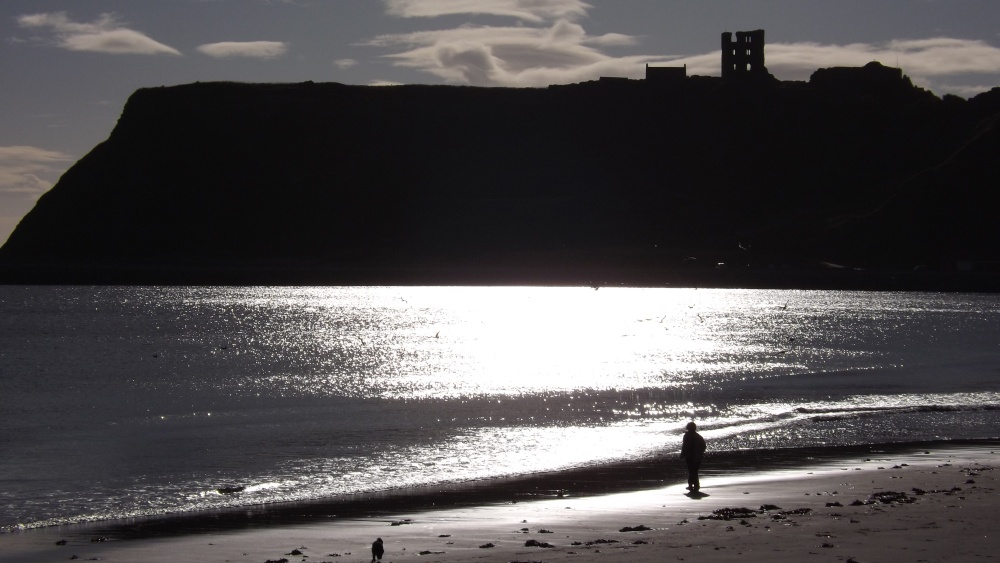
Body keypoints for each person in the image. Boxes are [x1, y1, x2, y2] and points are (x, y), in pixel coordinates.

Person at [680, 421, 706, 491]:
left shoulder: (687, 435)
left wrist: (682, 454)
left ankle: (691, 484)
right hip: (698, 456)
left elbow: (685, 446)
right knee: (694, 470)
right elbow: (703, 446)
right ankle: (695, 484)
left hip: (690, 456)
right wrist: (700, 453)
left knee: (691, 470)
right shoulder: (698, 436)